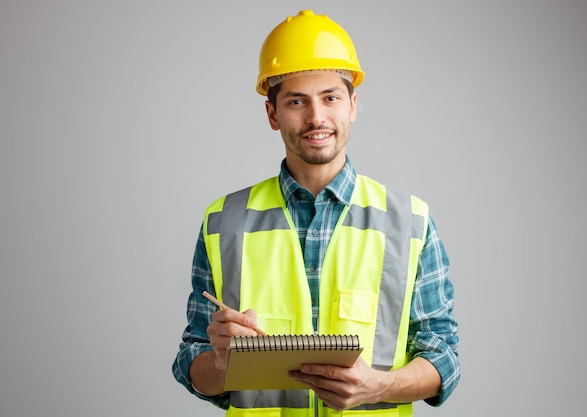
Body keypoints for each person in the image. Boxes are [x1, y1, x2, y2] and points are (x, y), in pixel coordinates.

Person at [172, 9, 460, 416]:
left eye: (330, 97)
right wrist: (222, 364)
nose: (316, 117)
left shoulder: (409, 220)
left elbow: (443, 355)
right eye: (296, 101)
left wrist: (379, 387)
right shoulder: (224, 222)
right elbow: (191, 363)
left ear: (352, 104)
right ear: (272, 114)